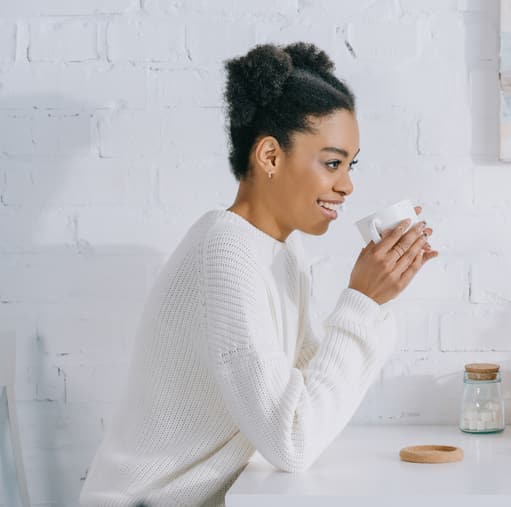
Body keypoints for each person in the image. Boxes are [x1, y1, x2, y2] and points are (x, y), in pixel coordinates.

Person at [80, 42, 437, 506]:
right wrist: (362, 303)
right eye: (332, 163)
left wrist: (375, 300)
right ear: (270, 156)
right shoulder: (226, 252)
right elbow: (294, 440)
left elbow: (306, 396)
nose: (347, 184)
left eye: (351, 165)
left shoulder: (283, 250)